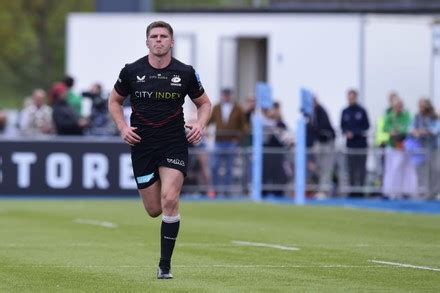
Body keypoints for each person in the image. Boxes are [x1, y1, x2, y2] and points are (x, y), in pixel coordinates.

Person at [108, 21, 211, 279]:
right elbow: (114, 101)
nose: (158, 40)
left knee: (169, 200)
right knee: (154, 209)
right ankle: (164, 220)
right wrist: (122, 128)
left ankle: (165, 265)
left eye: (164, 36)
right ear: (147, 42)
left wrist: (200, 124)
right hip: (142, 145)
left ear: (171, 42)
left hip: (173, 142)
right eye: (154, 36)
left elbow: (205, 103)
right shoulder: (132, 71)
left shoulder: (185, 73)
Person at [209, 88, 247, 196]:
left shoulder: (238, 108)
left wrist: (238, 137)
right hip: (219, 141)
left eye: (228, 95)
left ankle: (227, 191)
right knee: (214, 166)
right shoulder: (216, 107)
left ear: (231, 96)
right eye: (224, 95)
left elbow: (244, 125)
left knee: (229, 167)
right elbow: (210, 120)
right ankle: (215, 190)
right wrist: (201, 128)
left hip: (231, 142)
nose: (226, 97)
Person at [382, 98, 415, 198]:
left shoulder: (406, 116)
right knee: (392, 169)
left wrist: (399, 131)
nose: (398, 108)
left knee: (404, 169)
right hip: (392, 146)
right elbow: (385, 127)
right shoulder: (389, 116)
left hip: (403, 147)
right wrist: (392, 131)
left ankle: (404, 191)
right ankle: (390, 191)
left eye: (400, 106)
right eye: (397, 106)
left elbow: (407, 127)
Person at [340, 89, 370, 197]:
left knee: (361, 168)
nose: (350, 99)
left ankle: (360, 191)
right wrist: (346, 133)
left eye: (352, 97)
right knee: (351, 168)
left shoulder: (362, 111)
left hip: (361, 144)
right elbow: (342, 126)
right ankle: (352, 190)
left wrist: (355, 133)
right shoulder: (345, 111)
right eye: (349, 97)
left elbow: (366, 126)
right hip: (350, 145)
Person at [312, 97, 336, 198]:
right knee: (320, 168)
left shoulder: (321, 111)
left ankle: (325, 191)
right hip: (321, 143)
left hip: (327, 143)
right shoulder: (314, 113)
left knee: (326, 168)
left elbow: (322, 128)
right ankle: (323, 189)